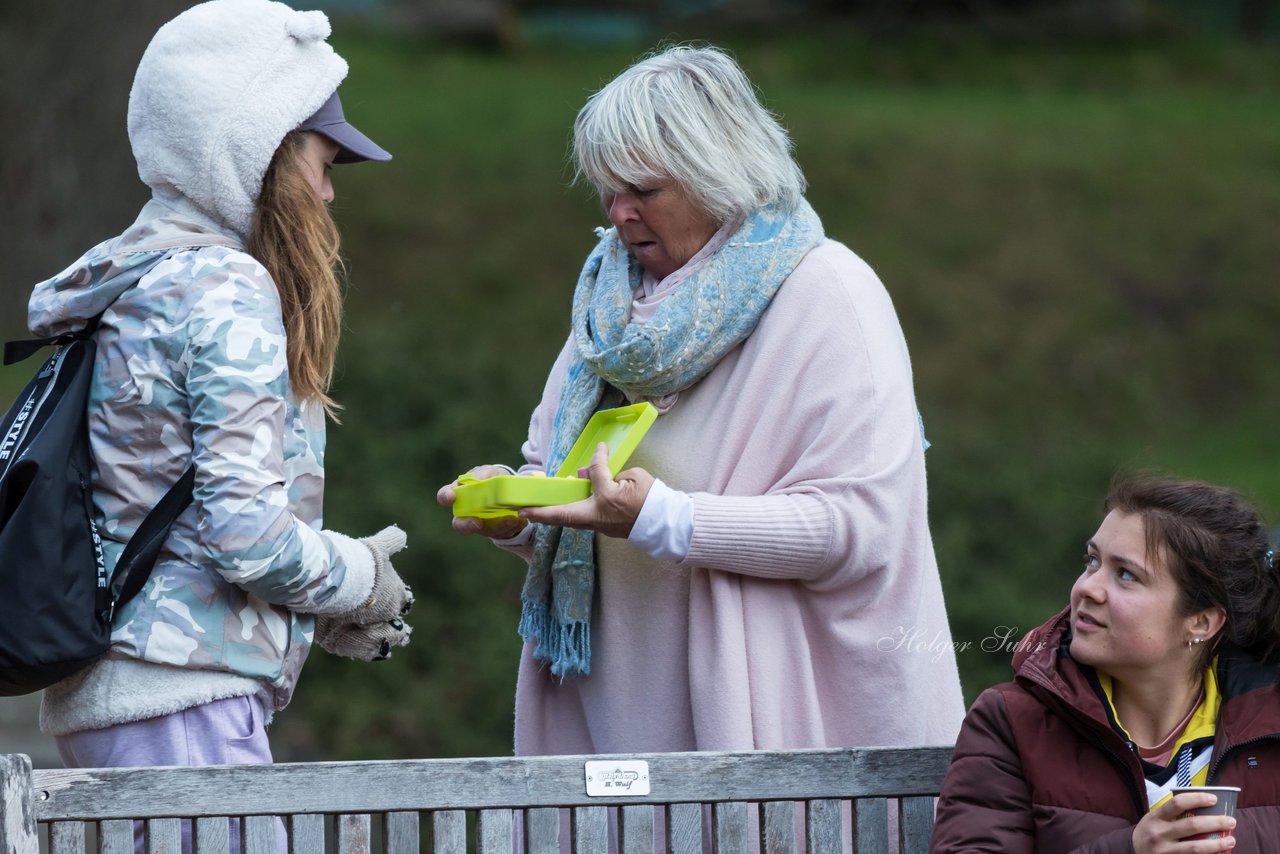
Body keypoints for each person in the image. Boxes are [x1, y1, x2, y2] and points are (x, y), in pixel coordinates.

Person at [438, 45, 963, 763]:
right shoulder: (606, 313)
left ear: (720, 174)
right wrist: (513, 507)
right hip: (616, 729)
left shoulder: (831, 296)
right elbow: (571, 492)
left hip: (797, 744)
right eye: (607, 189)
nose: (620, 214)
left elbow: (861, 528)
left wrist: (663, 517)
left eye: (644, 189)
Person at [26, 0, 413, 844]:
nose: (330, 188)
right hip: (182, 708)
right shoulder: (225, 287)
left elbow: (174, 513)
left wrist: (318, 615)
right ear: (261, 150)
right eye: (323, 158)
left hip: (126, 700)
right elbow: (249, 539)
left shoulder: (140, 277)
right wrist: (362, 578)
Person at [931, 475, 1280, 852]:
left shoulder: (1269, 722)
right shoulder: (1012, 721)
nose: (1086, 588)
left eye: (1126, 575)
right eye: (1092, 561)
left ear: (1202, 622)